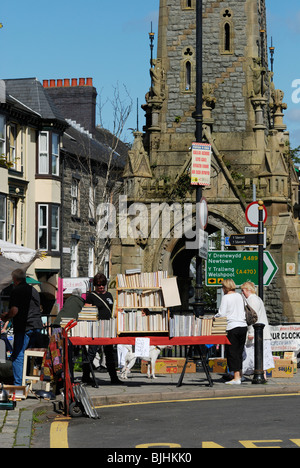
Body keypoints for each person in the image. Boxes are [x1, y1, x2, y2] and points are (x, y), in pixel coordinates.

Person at [0, 269, 43, 386]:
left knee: (18, 355)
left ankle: (18, 384)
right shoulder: (33, 290)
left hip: (25, 327)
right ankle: (27, 381)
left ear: (14, 280)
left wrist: (6, 317)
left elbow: (14, 310)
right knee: (28, 355)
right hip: (37, 326)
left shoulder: (16, 291)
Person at [82, 273, 122, 385]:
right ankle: (85, 376)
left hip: (108, 327)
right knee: (91, 353)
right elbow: (86, 311)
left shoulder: (109, 295)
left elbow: (111, 310)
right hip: (96, 327)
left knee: (109, 353)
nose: (101, 286)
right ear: (95, 285)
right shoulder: (91, 296)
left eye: (103, 284)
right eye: (99, 284)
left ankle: (113, 378)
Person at [214, 279, 247, 385]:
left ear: (226, 287)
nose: (222, 289)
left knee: (232, 352)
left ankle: (236, 378)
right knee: (239, 352)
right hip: (243, 326)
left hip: (232, 327)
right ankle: (239, 375)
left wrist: (214, 317)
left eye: (223, 287)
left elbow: (222, 313)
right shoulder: (239, 296)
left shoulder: (226, 297)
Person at [241, 282, 275, 379]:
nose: (242, 293)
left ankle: (241, 374)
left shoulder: (252, 300)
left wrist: (251, 332)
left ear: (248, 290)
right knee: (261, 354)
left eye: (243, 290)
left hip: (257, 333)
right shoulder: (257, 299)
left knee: (250, 354)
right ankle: (262, 375)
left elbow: (252, 317)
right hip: (262, 334)